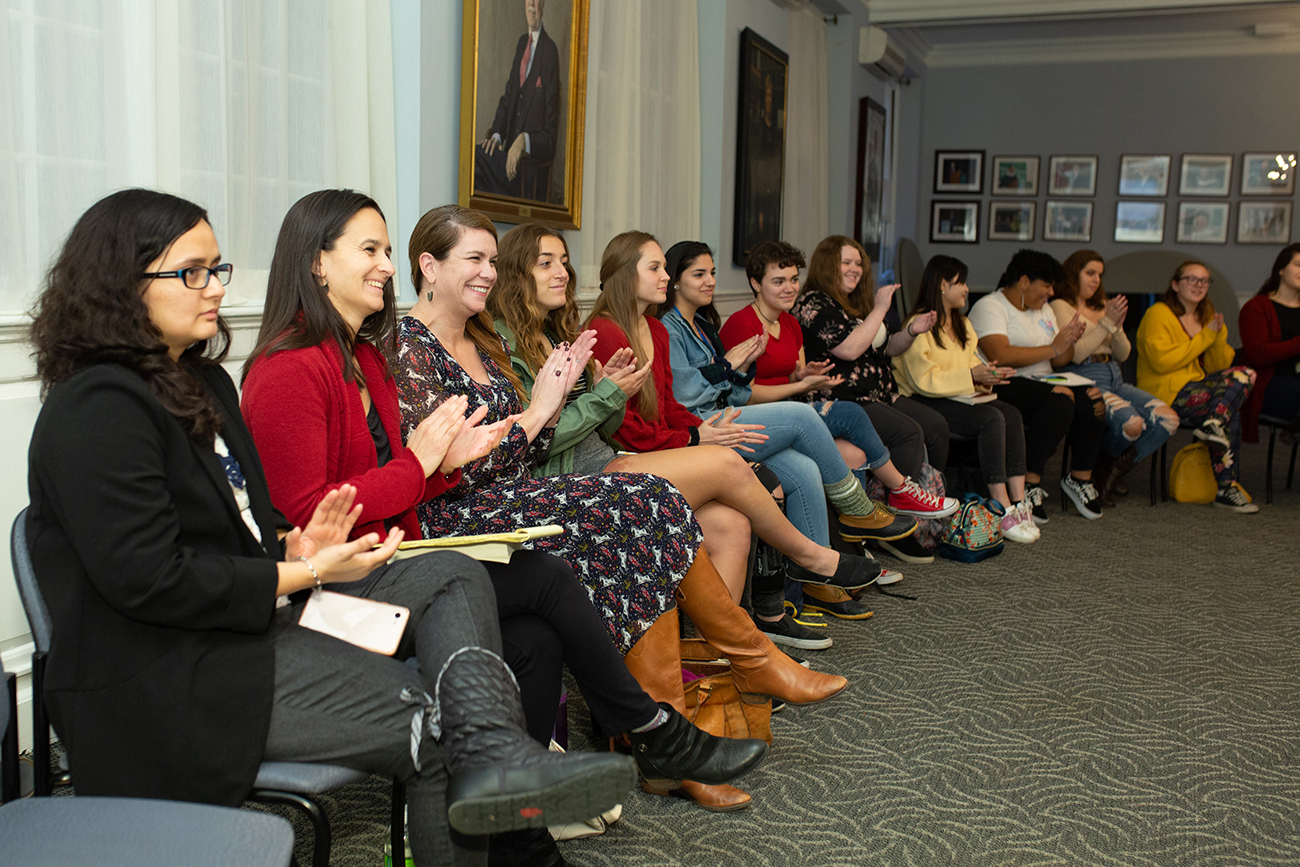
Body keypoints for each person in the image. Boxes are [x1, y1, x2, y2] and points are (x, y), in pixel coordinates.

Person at [26, 189, 638, 867]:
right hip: (161, 677)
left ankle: (504, 761)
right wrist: (308, 569)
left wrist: (296, 542)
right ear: (119, 283)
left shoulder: (203, 383)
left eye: (217, 269)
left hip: (243, 639)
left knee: (457, 639)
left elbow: (239, 529)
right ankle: (514, 765)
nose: (215, 288)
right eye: (191, 272)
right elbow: (152, 580)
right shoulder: (96, 408)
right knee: (446, 728)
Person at [239, 191, 766, 858]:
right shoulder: (290, 367)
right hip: (332, 589)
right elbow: (312, 514)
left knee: (537, 638)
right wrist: (424, 464)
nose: (384, 265)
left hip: (388, 554)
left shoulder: (364, 355)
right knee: (523, 575)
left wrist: (441, 463)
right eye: (368, 251)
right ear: (316, 264)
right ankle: (646, 725)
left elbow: (402, 481)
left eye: (383, 250)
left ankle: (529, 834)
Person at [394, 205, 848, 812]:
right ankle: (736, 672)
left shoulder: (483, 336)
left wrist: (553, 406)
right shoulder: (408, 348)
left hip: (511, 493)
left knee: (649, 511)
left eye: (492, 261)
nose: (487, 274)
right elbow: (452, 471)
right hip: (464, 517)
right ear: (429, 265)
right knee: (644, 508)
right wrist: (541, 409)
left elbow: (516, 453)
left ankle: (704, 704)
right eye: (473, 260)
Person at [489, 229, 904, 642]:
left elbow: (624, 417)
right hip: (579, 476)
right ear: (515, 274)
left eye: (563, 261)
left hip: (612, 456)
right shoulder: (510, 345)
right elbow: (539, 439)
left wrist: (610, 394)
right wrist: (640, 410)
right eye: (547, 263)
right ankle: (812, 556)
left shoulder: (560, 335)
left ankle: (725, 655)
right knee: (750, 451)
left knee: (733, 523)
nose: (562, 271)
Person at [716, 240, 959, 533]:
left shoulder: (790, 322)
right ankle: (900, 491)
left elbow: (794, 376)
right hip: (765, 418)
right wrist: (800, 385)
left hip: (796, 407)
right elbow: (744, 395)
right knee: (852, 414)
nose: (790, 288)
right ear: (756, 283)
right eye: (778, 281)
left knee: (857, 454)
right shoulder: (743, 324)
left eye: (794, 280)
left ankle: (859, 540)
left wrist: (804, 375)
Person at [895, 255, 1039, 543]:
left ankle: (1020, 502)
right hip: (925, 399)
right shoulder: (919, 324)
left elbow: (973, 362)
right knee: (992, 419)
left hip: (960, 396)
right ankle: (1001, 504)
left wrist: (990, 374)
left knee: (1011, 413)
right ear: (942, 286)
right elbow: (925, 380)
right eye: (960, 282)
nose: (966, 289)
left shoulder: (962, 324)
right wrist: (973, 376)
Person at [790, 235, 951, 488]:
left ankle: (931, 491)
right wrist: (880, 309)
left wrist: (911, 332)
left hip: (878, 394)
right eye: (846, 263)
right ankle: (898, 507)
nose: (855, 269)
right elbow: (850, 349)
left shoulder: (855, 303)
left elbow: (887, 347)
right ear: (827, 265)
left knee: (936, 426)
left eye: (858, 263)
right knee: (908, 433)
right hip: (843, 399)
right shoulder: (813, 303)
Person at [968, 249, 1106, 522]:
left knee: (1093, 398)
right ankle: (1030, 482)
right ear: (1024, 281)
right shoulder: (990, 306)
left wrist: (1067, 342)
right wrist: (1053, 347)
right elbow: (1001, 354)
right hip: (1004, 381)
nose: (1051, 292)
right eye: (1046, 285)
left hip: (1045, 379)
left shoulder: (1042, 310)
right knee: (1061, 399)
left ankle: (1080, 477)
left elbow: (1059, 358)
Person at [1052, 250, 1177, 506]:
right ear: (1073, 273)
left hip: (1114, 377)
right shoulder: (1060, 306)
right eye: (1090, 273)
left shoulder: (1102, 307)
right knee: (1132, 425)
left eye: (1100, 274)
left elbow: (1123, 352)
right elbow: (1075, 355)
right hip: (1084, 378)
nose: (1096, 279)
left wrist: (1116, 328)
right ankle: (1096, 471)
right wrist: (1106, 325)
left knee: (1168, 420)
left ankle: (1106, 470)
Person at [1136, 259, 1259, 512]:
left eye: (1204, 280)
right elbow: (1162, 363)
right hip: (1165, 392)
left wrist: (1217, 337)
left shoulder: (1208, 318)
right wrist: (1206, 337)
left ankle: (1214, 425)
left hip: (1199, 389)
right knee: (1230, 412)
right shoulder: (1158, 313)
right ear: (1175, 284)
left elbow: (1218, 367)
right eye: (1191, 279)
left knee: (1244, 374)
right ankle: (1227, 487)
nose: (1199, 285)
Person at [474, 0, 560, 199]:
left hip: (528, 172)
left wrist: (524, 140)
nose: (531, 6)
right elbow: (508, 97)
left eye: (536, 2)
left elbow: (550, 137)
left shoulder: (549, 52)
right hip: (507, 164)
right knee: (477, 159)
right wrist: (496, 136)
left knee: (478, 162)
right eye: (528, 0)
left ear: (543, 5)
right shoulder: (523, 43)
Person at [1239, 243, 1300, 441]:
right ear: (1281, 269)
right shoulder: (1256, 308)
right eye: (1298, 265)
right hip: (1269, 384)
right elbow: (1259, 354)